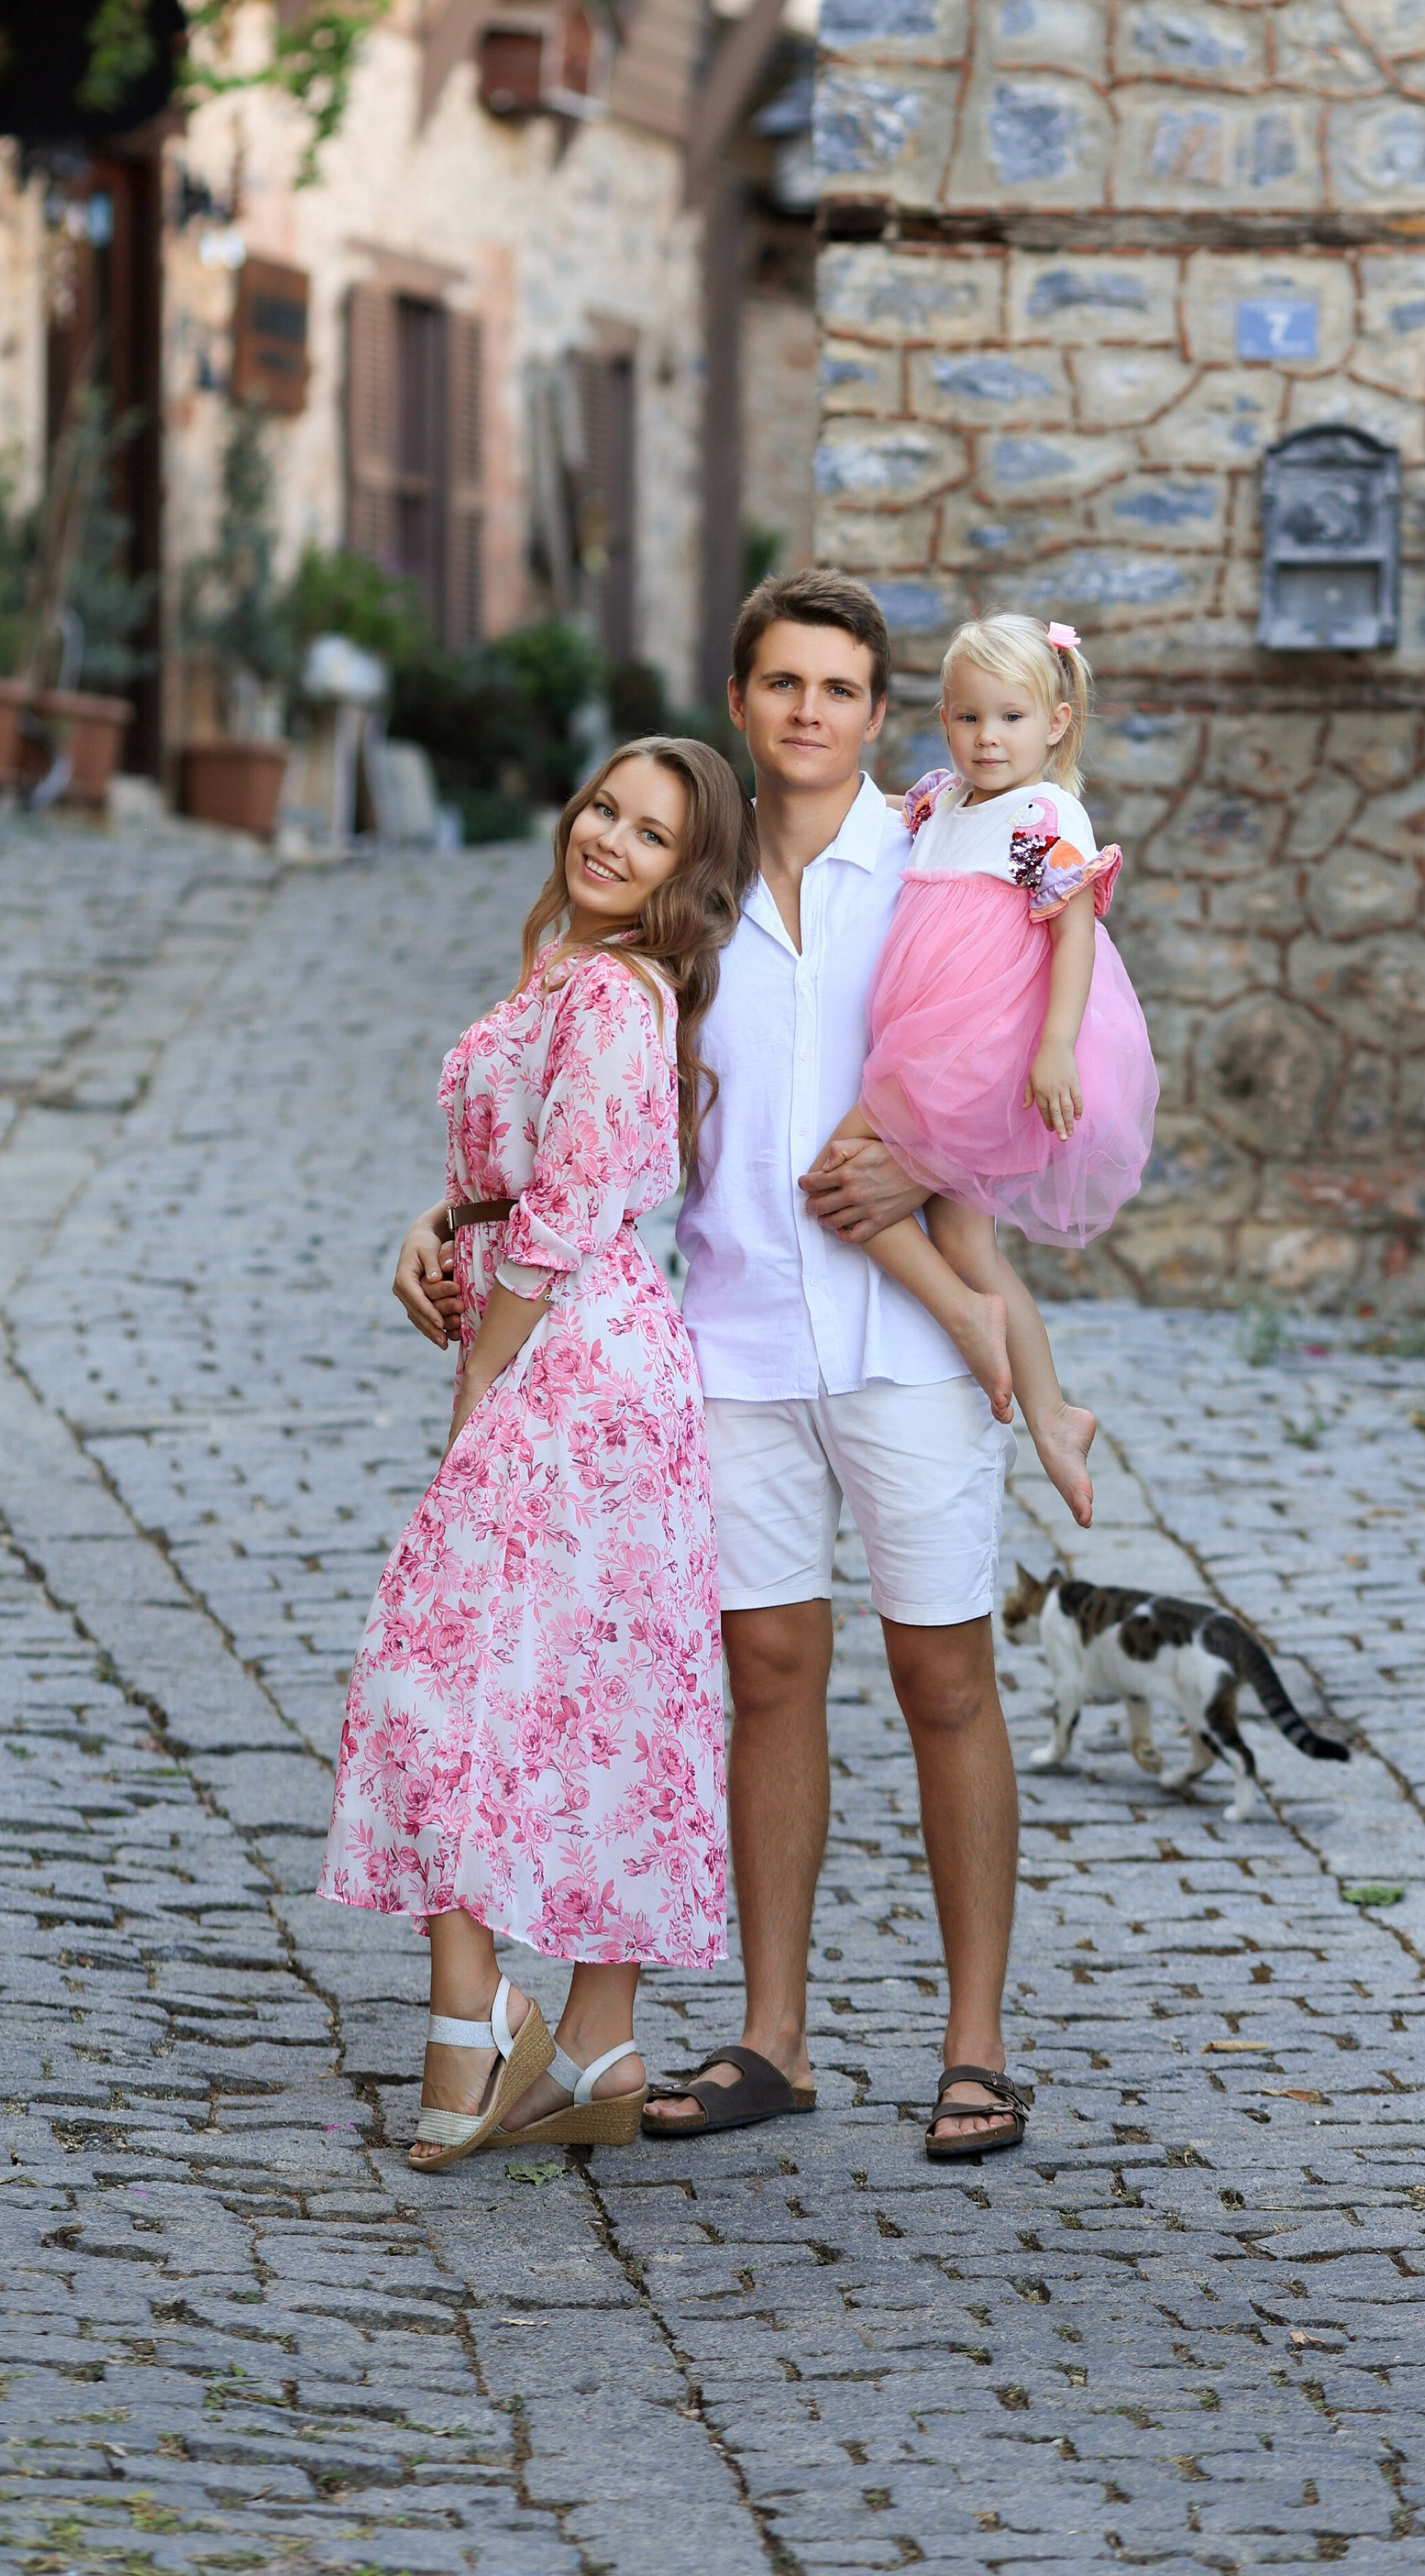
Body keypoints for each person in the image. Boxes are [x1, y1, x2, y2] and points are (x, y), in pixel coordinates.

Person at [323, 737, 754, 2169]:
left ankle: (475, 2015)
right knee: (586, 1699)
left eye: (651, 837)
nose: (612, 843)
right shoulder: (563, 970)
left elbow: (568, 1214)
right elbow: (510, 1182)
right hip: (577, 1356)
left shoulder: (622, 996)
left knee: (428, 1666)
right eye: (605, 811)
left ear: (684, 879)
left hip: (578, 1369)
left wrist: (480, 1387)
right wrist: (437, 1228)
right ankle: (599, 2047)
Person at [646, 570, 1032, 2161]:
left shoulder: (938, 867)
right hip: (728, 1335)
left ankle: (977, 2046)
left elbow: (1013, 1075)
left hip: (904, 1341)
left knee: (945, 1673)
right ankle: (774, 2036)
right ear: (740, 703)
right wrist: (456, 1209)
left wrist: (917, 1168)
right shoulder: (685, 882)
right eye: (781, 684)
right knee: (767, 1674)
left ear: (880, 716)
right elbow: (580, 1056)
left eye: (840, 688)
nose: (809, 711)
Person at [808, 613, 1157, 1529]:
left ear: (1055, 722)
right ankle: (1052, 1414)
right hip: (927, 1041)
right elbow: (868, 812)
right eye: (965, 719)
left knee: (831, 1179)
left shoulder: (1045, 816)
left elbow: (1073, 935)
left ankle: (967, 1324)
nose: (985, 739)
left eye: (1007, 718)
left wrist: (1052, 1047)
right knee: (966, 1242)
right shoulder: (938, 801)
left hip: (977, 1054)